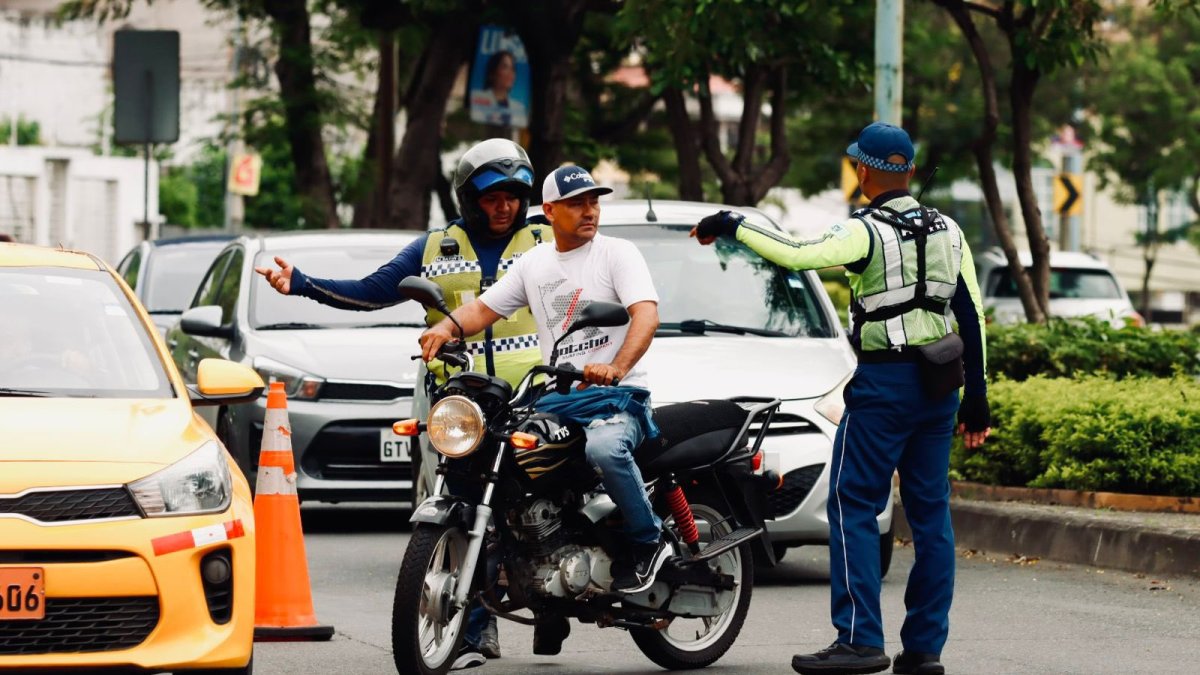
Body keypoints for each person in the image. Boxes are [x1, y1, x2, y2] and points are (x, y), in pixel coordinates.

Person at [692, 121, 991, 675]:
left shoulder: (865, 230)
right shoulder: (949, 231)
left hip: (884, 387)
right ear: (909, 168)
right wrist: (978, 398)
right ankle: (924, 650)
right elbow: (970, 312)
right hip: (940, 387)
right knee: (931, 518)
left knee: (852, 504)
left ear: (864, 170)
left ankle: (859, 640)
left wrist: (733, 223)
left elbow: (796, 254)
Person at [256, 137, 547, 669]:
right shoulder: (434, 248)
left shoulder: (547, 240)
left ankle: (561, 597)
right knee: (464, 507)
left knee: (548, 501)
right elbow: (371, 291)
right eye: (491, 197)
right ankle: (472, 632)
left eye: (512, 196)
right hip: (463, 403)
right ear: (468, 200)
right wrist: (301, 284)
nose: (504, 206)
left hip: (537, 395)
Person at [418, 164, 669, 642]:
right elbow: (484, 308)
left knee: (605, 450)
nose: (589, 211)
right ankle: (544, 592)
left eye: (593, 201)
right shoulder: (534, 264)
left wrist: (616, 366)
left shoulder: (617, 253)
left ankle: (648, 541)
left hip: (618, 396)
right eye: (577, 204)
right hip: (560, 399)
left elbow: (646, 316)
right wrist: (446, 328)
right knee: (505, 460)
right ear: (549, 211)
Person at [469, 51, 527, 128]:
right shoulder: (476, 97)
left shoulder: (519, 108)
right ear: (492, 73)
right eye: (505, 67)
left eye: (513, 69)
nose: (510, 73)